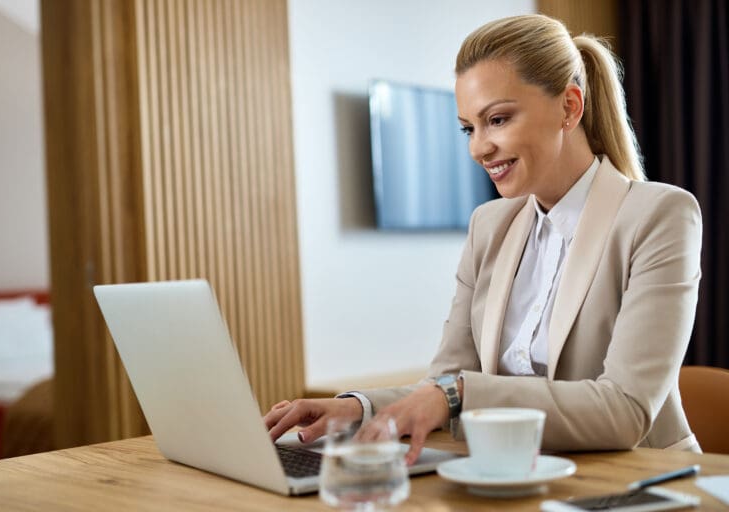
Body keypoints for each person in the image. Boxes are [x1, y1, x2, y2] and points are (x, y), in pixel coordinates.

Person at [264, 14, 702, 464]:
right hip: (514, 472)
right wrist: (358, 407)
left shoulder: (660, 215)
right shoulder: (489, 226)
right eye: (469, 128)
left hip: (639, 482)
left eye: (497, 119)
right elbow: (448, 379)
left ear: (569, 107)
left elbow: (625, 410)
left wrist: (457, 394)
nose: (478, 148)